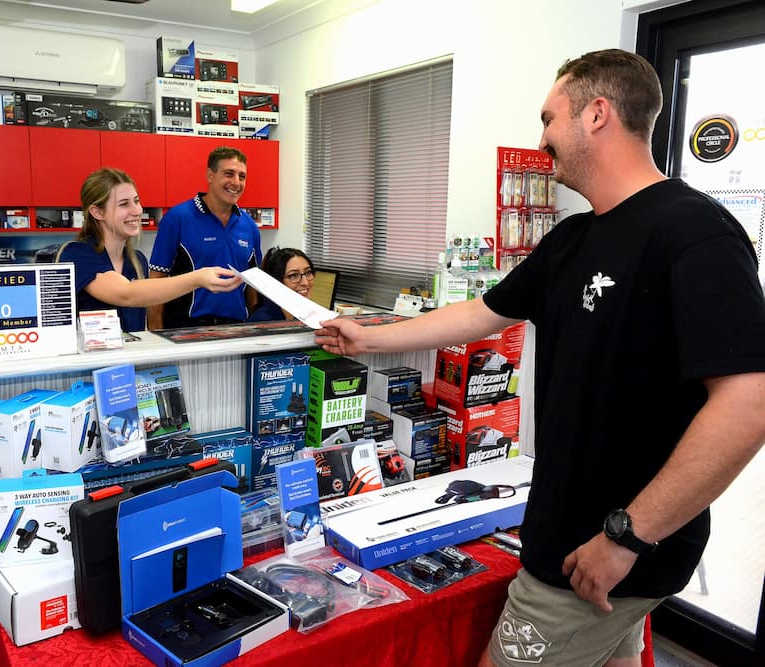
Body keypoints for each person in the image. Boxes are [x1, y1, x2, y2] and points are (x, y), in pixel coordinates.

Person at [315, 49, 765, 667]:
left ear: (597, 114)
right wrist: (367, 337)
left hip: (600, 552)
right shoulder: (576, 237)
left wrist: (626, 536)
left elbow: (747, 405)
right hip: (569, 529)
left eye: (550, 118)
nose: (542, 139)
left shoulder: (694, 231)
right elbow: (481, 313)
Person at [57, 168, 241, 332]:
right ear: (98, 212)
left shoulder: (137, 261)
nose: (136, 210)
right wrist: (197, 278)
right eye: (124, 204)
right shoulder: (77, 254)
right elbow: (125, 294)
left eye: (136, 201)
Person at [147, 146, 263, 328]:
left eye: (242, 176)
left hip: (236, 329)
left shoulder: (250, 226)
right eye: (229, 174)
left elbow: (253, 287)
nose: (236, 182)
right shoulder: (177, 218)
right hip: (185, 329)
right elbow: (156, 280)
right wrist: (155, 332)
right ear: (210, 175)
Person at [247, 247, 315, 322]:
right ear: (276, 281)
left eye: (308, 273)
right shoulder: (262, 320)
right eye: (293, 275)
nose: (305, 283)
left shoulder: (309, 314)